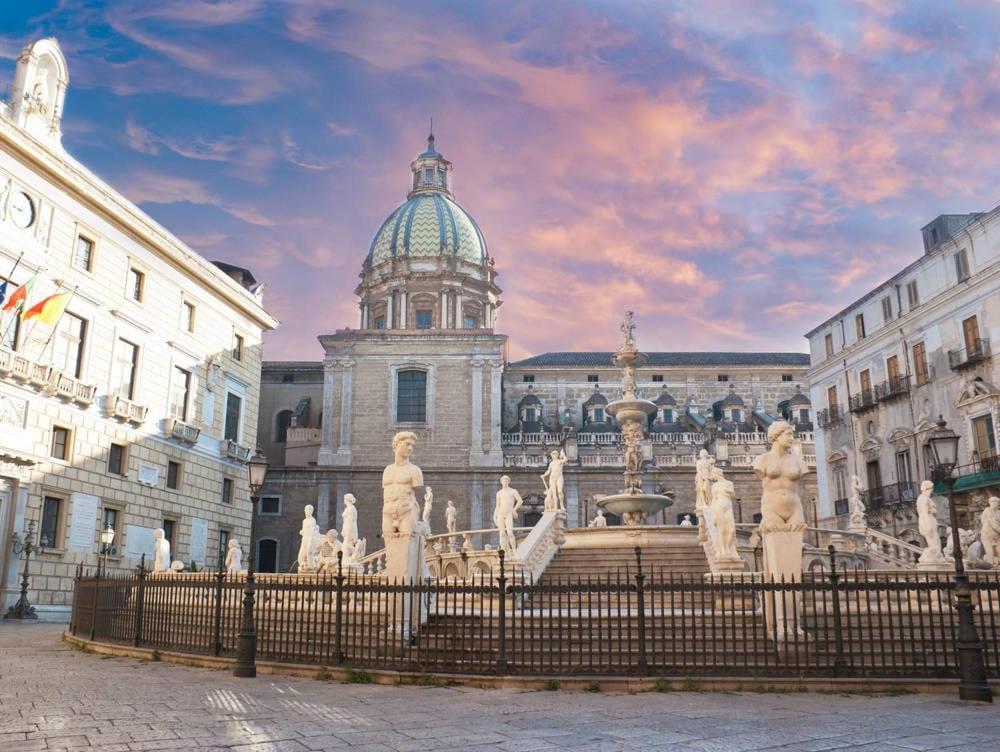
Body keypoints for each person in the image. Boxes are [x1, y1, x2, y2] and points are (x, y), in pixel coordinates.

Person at [752, 421, 808, 533]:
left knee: (795, 544)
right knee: (776, 542)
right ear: (776, 435)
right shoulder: (761, 460)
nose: (792, 438)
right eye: (788, 434)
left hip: (795, 508)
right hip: (772, 508)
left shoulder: (798, 461)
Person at [382, 431, 423, 536]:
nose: (410, 448)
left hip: (407, 511)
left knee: (407, 546)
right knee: (389, 542)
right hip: (387, 512)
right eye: (407, 444)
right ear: (397, 444)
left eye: (412, 446)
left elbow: (417, 485)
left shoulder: (414, 470)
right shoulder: (387, 470)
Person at [709, 467, 739, 560]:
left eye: (713, 474)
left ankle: (729, 547)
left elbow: (733, 495)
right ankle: (724, 550)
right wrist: (713, 514)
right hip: (718, 507)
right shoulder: (714, 486)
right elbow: (714, 499)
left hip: (728, 507)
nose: (712, 477)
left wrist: (729, 491)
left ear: (717, 474)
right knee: (721, 530)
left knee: (731, 530)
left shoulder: (729, 483)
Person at [494, 475, 525, 555]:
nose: (504, 482)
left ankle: (514, 550)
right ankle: (504, 550)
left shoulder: (513, 491)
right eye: (503, 481)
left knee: (510, 533)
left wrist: (514, 510)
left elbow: (520, 501)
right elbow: (497, 505)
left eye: (506, 480)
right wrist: (494, 516)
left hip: (508, 513)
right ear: (501, 482)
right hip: (500, 513)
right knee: (502, 533)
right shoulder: (499, 493)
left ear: (508, 482)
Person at [916, 480, 944, 563]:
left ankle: (937, 557)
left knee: (936, 541)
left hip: (930, 519)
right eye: (931, 488)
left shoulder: (925, 498)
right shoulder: (923, 498)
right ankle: (935, 557)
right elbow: (924, 513)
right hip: (928, 520)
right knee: (934, 541)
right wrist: (927, 526)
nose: (932, 490)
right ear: (928, 488)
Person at [297, 504, 320, 570]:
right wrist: (302, 531)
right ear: (305, 511)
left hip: (310, 539)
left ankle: (311, 567)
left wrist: (310, 542)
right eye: (306, 510)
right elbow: (304, 530)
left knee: (309, 553)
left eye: (309, 510)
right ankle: (303, 565)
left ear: (312, 511)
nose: (308, 512)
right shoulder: (304, 521)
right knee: (300, 557)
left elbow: (312, 531)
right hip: (304, 539)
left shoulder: (312, 520)